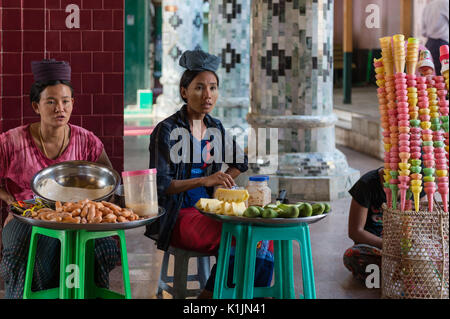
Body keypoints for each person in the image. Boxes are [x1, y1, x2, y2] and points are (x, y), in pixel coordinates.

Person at [145, 50, 274, 298]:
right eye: (199, 88)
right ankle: (212, 297)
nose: (208, 95)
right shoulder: (167, 130)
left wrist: (222, 183)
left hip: (209, 210)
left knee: (264, 238)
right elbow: (161, 185)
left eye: (213, 88)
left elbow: (241, 162)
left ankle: (248, 296)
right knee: (240, 236)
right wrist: (205, 179)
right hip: (178, 215)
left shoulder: (215, 127)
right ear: (184, 91)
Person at [0, 59, 120, 299]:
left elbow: (110, 178)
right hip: (27, 216)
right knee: (23, 253)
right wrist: (9, 199)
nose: (60, 108)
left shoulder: (87, 140)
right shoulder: (11, 142)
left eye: (65, 101)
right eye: (51, 102)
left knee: (103, 249)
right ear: (36, 106)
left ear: (73, 103)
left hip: (79, 217)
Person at [343, 167, 425, 284]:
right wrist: (389, 246)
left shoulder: (417, 181)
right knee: (353, 256)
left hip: (407, 247)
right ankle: (400, 273)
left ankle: (398, 272)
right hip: (377, 248)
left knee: (434, 251)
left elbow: (424, 224)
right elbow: (355, 232)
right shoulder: (366, 184)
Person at [422, 0, 449, 75]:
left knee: (434, 78)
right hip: (443, 45)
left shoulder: (427, 6)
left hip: (429, 44)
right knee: (445, 77)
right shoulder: (445, 3)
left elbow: (423, 32)